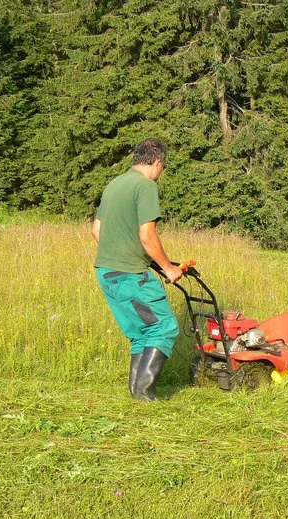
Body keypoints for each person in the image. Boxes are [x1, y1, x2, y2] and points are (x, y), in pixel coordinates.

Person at [91, 139, 183, 401]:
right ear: (156, 161)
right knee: (163, 327)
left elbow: (96, 230)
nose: (161, 172)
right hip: (130, 276)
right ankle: (145, 394)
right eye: (162, 166)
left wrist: (125, 254)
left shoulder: (115, 184)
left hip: (106, 271)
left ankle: (136, 392)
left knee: (141, 332)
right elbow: (147, 234)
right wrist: (167, 268)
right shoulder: (145, 186)